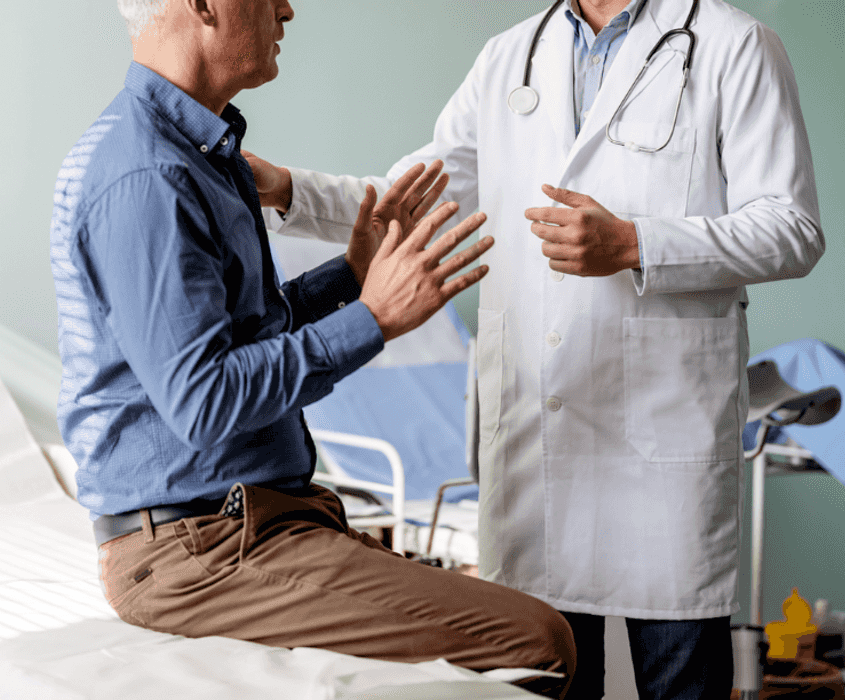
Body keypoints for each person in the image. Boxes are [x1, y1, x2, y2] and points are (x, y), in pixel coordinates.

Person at [246, 0, 825, 697]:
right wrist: (287, 189)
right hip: (538, 437)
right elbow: (410, 197)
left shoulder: (734, 44)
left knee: (680, 680)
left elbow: (791, 228)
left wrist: (635, 243)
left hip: (662, 441)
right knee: (544, 674)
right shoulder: (510, 55)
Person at [50, 0, 577, 694]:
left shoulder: (205, 155)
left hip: (257, 522)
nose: (287, 9)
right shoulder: (148, 175)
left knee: (522, 621)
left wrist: (352, 280)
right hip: (199, 550)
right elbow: (204, 403)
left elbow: (242, 337)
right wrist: (374, 318)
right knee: (536, 639)